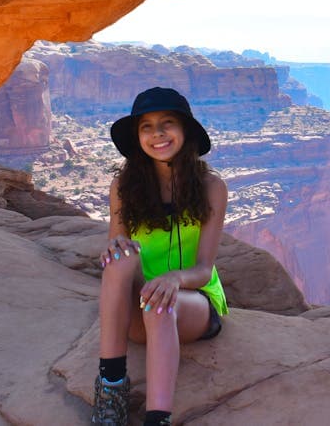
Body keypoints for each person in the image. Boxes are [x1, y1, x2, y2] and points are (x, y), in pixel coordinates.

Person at [92, 87, 229, 426]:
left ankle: (158, 418)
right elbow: (117, 247)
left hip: (190, 303)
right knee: (120, 258)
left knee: (160, 302)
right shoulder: (124, 184)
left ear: (185, 130)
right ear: (138, 137)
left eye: (167, 123)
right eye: (146, 127)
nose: (158, 134)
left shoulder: (212, 186)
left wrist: (174, 279)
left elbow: (203, 268)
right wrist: (111, 250)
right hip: (138, 305)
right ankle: (111, 390)